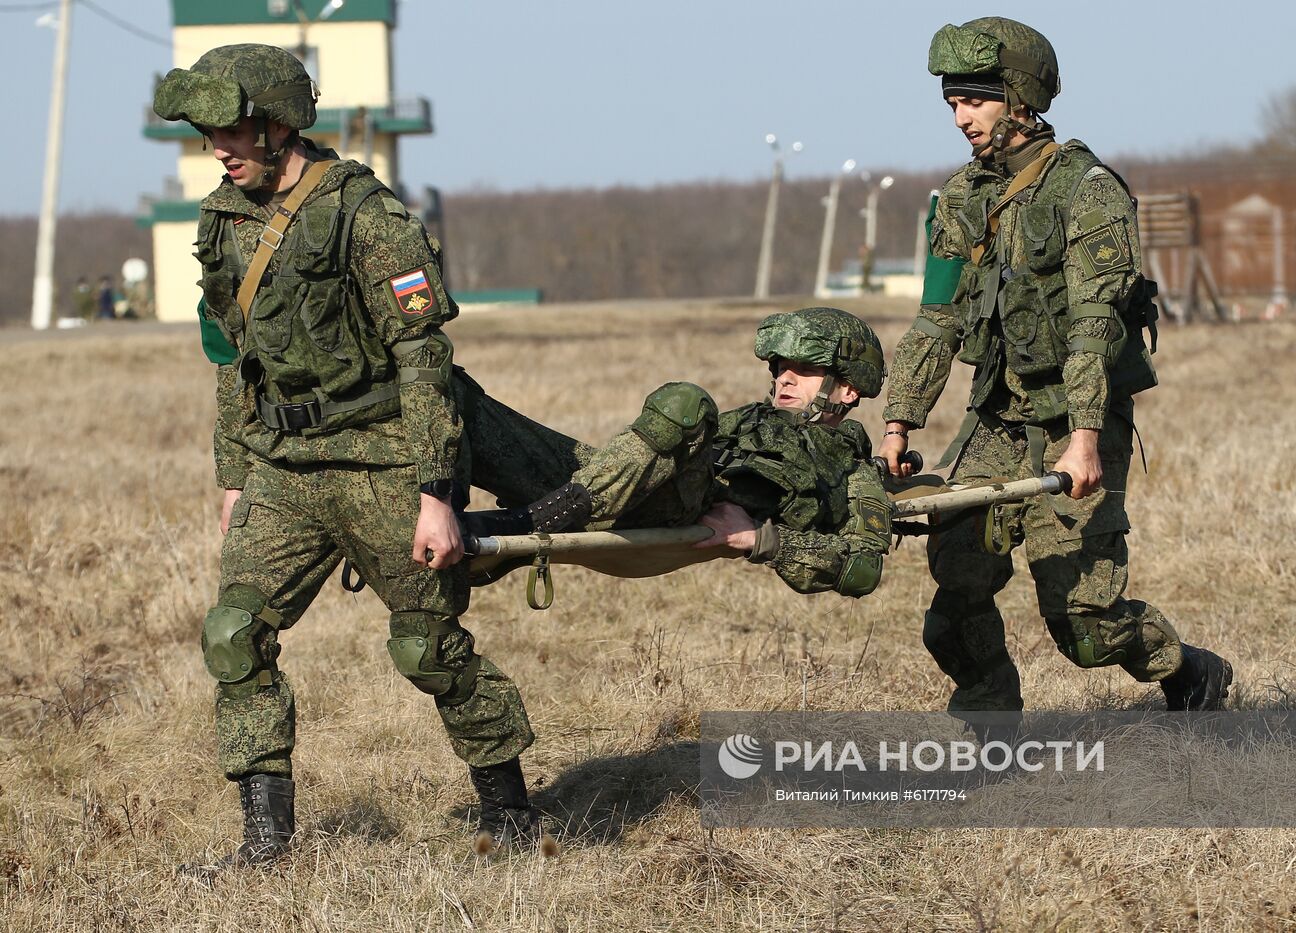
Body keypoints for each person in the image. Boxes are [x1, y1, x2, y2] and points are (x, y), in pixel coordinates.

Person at [154, 43, 546, 872]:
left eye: (229, 129)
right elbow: (232, 354)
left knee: (427, 647)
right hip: (288, 468)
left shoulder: (366, 214)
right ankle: (266, 843)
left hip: (383, 462)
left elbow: (425, 358)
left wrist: (438, 491)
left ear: (276, 122)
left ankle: (510, 808)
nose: (216, 147)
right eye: (207, 132)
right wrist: (235, 475)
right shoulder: (222, 216)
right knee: (232, 633)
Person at [878, 18, 1232, 713]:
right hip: (995, 420)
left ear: (1018, 95)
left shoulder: (1087, 190)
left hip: (1073, 417)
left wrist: (1084, 438)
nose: (960, 116)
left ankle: (1187, 670)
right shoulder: (958, 199)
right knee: (958, 584)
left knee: (1086, 626)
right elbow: (938, 316)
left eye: (973, 100)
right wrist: (897, 421)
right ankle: (988, 722)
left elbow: (1096, 328)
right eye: (951, 103)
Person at [465, 307, 893, 598]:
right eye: (781, 368)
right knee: (460, 398)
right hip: (612, 489)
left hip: (674, 508)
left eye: (805, 371)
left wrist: (757, 538)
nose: (785, 380)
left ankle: (536, 518)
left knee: (685, 401)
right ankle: (481, 516)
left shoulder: (850, 468)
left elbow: (862, 569)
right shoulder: (747, 419)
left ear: (849, 388)